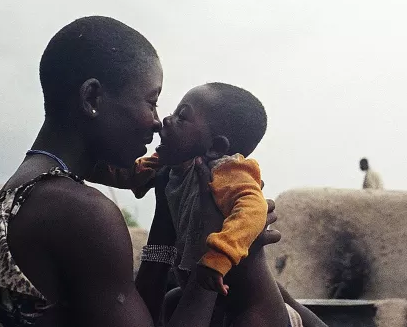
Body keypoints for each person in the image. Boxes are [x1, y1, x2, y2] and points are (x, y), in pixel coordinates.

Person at [0, 16, 280, 327]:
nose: (158, 122)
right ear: (92, 98)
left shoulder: (18, 190)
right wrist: (211, 265)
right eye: (152, 102)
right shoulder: (80, 211)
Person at [94, 83, 327, 327]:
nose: (166, 120)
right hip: (208, 297)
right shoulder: (168, 167)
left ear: (216, 147)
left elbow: (254, 209)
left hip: (250, 307)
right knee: (172, 300)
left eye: (181, 117)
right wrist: (89, 164)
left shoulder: (228, 172)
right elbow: (128, 173)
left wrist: (218, 257)